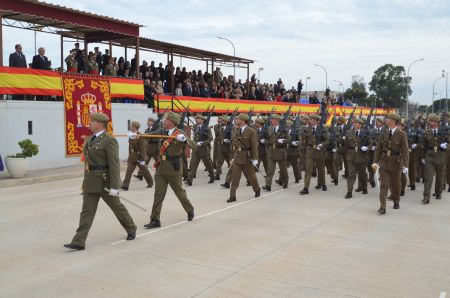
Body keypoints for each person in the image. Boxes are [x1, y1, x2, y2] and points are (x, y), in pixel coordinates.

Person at [64, 113, 137, 250]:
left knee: (117, 207)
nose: (89, 123)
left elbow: (114, 164)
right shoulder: (91, 139)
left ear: (100, 124)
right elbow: (88, 163)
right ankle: (79, 241)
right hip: (91, 182)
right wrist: (85, 183)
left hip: (105, 182)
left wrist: (115, 185)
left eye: (92, 121)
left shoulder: (109, 140)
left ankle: (131, 228)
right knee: (86, 212)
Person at [144, 112, 196, 229]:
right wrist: (137, 135)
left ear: (171, 122)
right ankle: (155, 219)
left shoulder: (180, 134)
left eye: (165, 119)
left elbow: (194, 145)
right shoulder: (162, 131)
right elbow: (150, 135)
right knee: (158, 194)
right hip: (161, 168)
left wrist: (184, 140)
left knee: (179, 192)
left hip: (173, 167)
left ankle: (189, 209)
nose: (163, 121)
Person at [372, 113, 409, 215]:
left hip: (396, 163)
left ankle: (396, 200)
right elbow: (378, 149)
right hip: (384, 162)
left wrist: (405, 165)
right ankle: (382, 207)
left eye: (388, 119)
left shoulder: (402, 134)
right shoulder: (383, 133)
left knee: (396, 185)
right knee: (384, 184)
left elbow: (405, 151)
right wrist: (375, 162)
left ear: (393, 121)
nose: (386, 120)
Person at [227, 113, 261, 202]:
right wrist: (232, 157)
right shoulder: (237, 130)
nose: (236, 120)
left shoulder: (250, 131)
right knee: (235, 178)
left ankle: (257, 189)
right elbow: (234, 145)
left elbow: (254, 146)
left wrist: (255, 158)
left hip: (247, 157)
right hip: (238, 157)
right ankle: (232, 195)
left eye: (238, 118)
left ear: (242, 120)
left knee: (251, 176)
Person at [421, 114, 449, 204]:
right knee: (428, 178)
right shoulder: (427, 132)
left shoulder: (444, 131)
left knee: (439, 177)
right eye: (430, 121)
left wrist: (446, 146)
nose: (430, 122)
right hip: (430, 157)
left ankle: (438, 192)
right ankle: (426, 197)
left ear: (436, 122)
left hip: (441, 156)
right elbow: (424, 146)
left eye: (432, 121)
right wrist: (423, 157)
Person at [299, 114, 329, 195]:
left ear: (316, 121)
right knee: (308, 170)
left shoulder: (323, 128)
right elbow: (304, 140)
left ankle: (323, 183)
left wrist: (322, 145)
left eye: (311, 119)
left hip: (319, 151)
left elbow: (327, 140)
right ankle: (306, 188)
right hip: (310, 150)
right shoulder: (307, 129)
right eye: (310, 119)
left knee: (321, 169)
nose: (310, 121)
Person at [120, 121, 153, 190]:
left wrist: (143, 159)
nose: (130, 127)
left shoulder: (140, 136)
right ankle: (125, 185)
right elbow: (130, 147)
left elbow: (143, 148)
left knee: (144, 170)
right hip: (132, 157)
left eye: (131, 126)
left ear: (134, 127)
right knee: (129, 171)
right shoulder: (131, 135)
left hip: (139, 157)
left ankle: (150, 182)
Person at [262, 114, 290, 191]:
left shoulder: (283, 129)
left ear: (277, 121)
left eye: (273, 119)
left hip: (280, 151)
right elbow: (268, 138)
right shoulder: (269, 128)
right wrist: (265, 141)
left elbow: (289, 139)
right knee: (270, 169)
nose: (271, 121)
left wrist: (283, 140)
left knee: (283, 169)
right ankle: (268, 185)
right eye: (271, 119)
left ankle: (285, 181)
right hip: (271, 150)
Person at [186, 114, 215, 185]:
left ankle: (212, 176)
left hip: (203, 149)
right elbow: (195, 136)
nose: (196, 120)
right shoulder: (195, 127)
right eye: (196, 118)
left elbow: (210, 138)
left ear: (202, 120)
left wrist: (203, 143)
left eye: (198, 119)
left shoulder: (207, 128)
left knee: (207, 164)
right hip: (195, 148)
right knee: (193, 164)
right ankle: (190, 180)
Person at [344, 118, 369, 199]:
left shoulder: (366, 133)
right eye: (354, 123)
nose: (355, 124)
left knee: (362, 174)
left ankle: (364, 187)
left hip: (361, 156)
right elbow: (346, 144)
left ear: (361, 125)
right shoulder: (349, 132)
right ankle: (349, 191)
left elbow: (371, 143)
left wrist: (367, 147)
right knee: (351, 174)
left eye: (357, 123)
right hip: (351, 155)